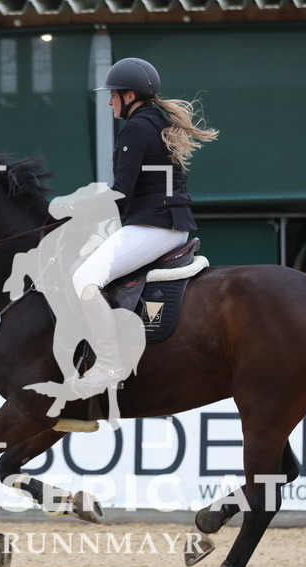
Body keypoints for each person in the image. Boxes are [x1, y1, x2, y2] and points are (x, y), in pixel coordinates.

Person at [71, 57, 218, 396]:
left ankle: (108, 364)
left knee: (83, 278)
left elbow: (122, 191)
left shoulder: (135, 129)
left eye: (113, 95)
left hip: (154, 226)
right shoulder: (155, 123)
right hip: (166, 224)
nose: (109, 101)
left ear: (130, 95)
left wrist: (76, 209)